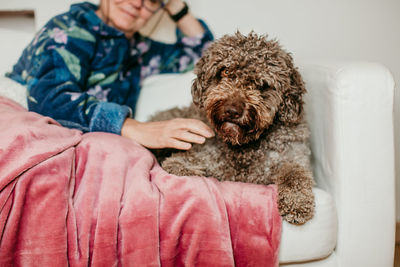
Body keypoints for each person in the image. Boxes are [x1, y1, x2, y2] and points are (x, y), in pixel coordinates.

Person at [7, 0, 215, 150]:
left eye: (150, 0)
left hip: (95, 146)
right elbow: (48, 98)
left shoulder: (139, 50)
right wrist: (132, 127)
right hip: (20, 125)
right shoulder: (69, 29)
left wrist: (176, 6)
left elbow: (205, 52)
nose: (136, 3)